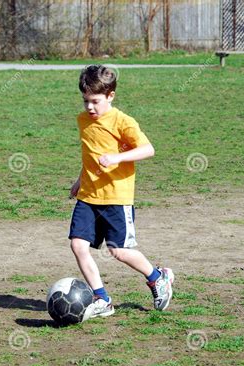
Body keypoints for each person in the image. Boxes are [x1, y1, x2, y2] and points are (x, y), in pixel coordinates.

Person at [69, 64, 174, 319]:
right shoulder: (83, 120)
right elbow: (90, 156)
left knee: (119, 251)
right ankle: (101, 299)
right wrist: (79, 180)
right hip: (89, 196)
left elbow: (148, 150)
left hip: (117, 197)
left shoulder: (123, 122)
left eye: (95, 101)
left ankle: (157, 278)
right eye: (85, 101)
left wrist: (118, 157)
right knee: (78, 245)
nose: (89, 107)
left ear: (110, 96)